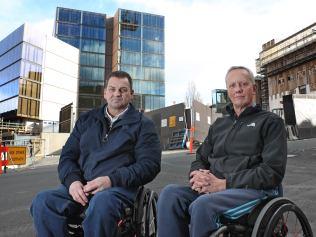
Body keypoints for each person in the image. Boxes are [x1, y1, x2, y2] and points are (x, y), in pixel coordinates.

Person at [157, 66, 287, 237]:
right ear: (228, 91)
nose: (238, 89)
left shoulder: (270, 122)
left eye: (243, 84)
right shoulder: (219, 125)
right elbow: (201, 157)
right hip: (214, 189)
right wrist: (197, 175)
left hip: (252, 191)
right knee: (169, 195)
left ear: (253, 88)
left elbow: (272, 172)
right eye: (232, 86)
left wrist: (224, 184)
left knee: (203, 205)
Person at [31, 71, 161, 237]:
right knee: (43, 201)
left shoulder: (143, 124)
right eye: (112, 89)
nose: (117, 93)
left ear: (131, 95)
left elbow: (150, 165)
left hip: (117, 188)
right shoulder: (86, 120)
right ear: (105, 93)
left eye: (123, 90)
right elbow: (67, 157)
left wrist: (110, 180)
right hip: (82, 187)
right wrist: (73, 182)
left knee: (101, 204)